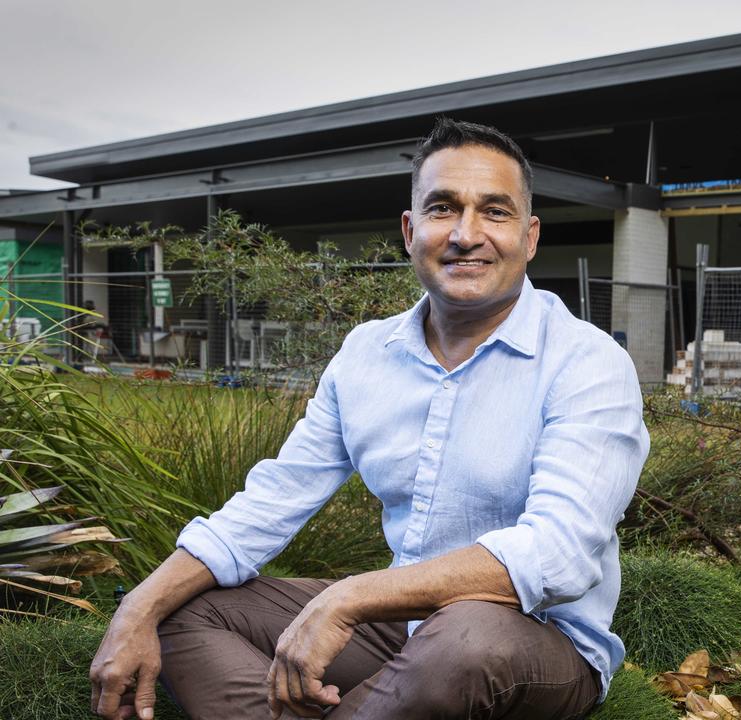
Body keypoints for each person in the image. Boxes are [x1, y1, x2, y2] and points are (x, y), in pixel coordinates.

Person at [89, 118, 650, 720]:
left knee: (465, 638)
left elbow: (556, 555)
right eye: (443, 208)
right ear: (410, 231)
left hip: (535, 646)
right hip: (402, 629)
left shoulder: (588, 362)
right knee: (187, 609)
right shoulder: (366, 354)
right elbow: (272, 500)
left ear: (530, 236)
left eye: (495, 211)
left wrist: (352, 597)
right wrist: (137, 609)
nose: (466, 234)